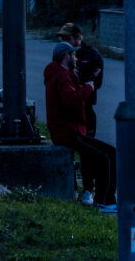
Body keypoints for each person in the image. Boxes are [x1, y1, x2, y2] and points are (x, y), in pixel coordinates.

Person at [44, 41, 117, 212]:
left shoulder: (59, 74)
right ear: (65, 56)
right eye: (73, 55)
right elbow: (70, 100)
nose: (76, 58)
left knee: (105, 154)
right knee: (107, 156)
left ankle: (102, 199)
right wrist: (87, 88)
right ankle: (105, 201)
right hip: (68, 132)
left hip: (67, 130)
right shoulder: (62, 76)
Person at [58, 22, 104, 205]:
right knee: (67, 149)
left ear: (78, 37)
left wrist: (81, 85)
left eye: (67, 38)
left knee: (88, 153)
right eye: (62, 38)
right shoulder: (63, 54)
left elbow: (94, 83)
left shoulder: (92, 55)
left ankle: (87, 190)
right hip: (68, 110)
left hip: (85, 109)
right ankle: (71, 188)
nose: (64, 41)